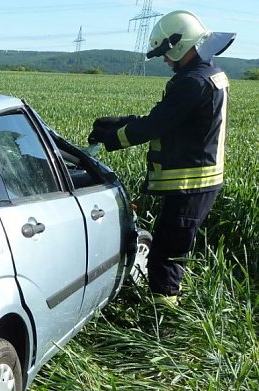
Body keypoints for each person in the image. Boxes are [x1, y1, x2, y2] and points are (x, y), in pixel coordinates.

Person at [87, 11, 235, 308]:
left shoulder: (191, 82)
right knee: (173, 250)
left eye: (166, 53)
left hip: (190, 184)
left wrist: (112, 137)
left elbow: (157, 125)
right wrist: (123, 122)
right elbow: (173, 121)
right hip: (199, 182)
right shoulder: (209, 74)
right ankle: (169, 304)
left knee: (164, 257)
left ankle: (162, 325)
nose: (165, 60)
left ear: (181, 44)